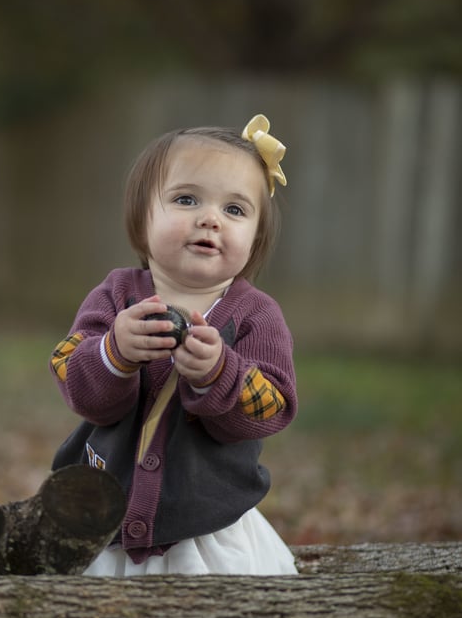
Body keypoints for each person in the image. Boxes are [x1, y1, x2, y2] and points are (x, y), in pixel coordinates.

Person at [49, 116, 298, 576]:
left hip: (209, 529)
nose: (210, 218)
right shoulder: (116, 296)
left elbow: (273, 407)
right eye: (186, 199)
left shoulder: (256, 315)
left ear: (255, 238)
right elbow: (74, 377)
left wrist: (219, 375)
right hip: (103, 520)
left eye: (235, 210)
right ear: (141, 219)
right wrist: (114, 353)